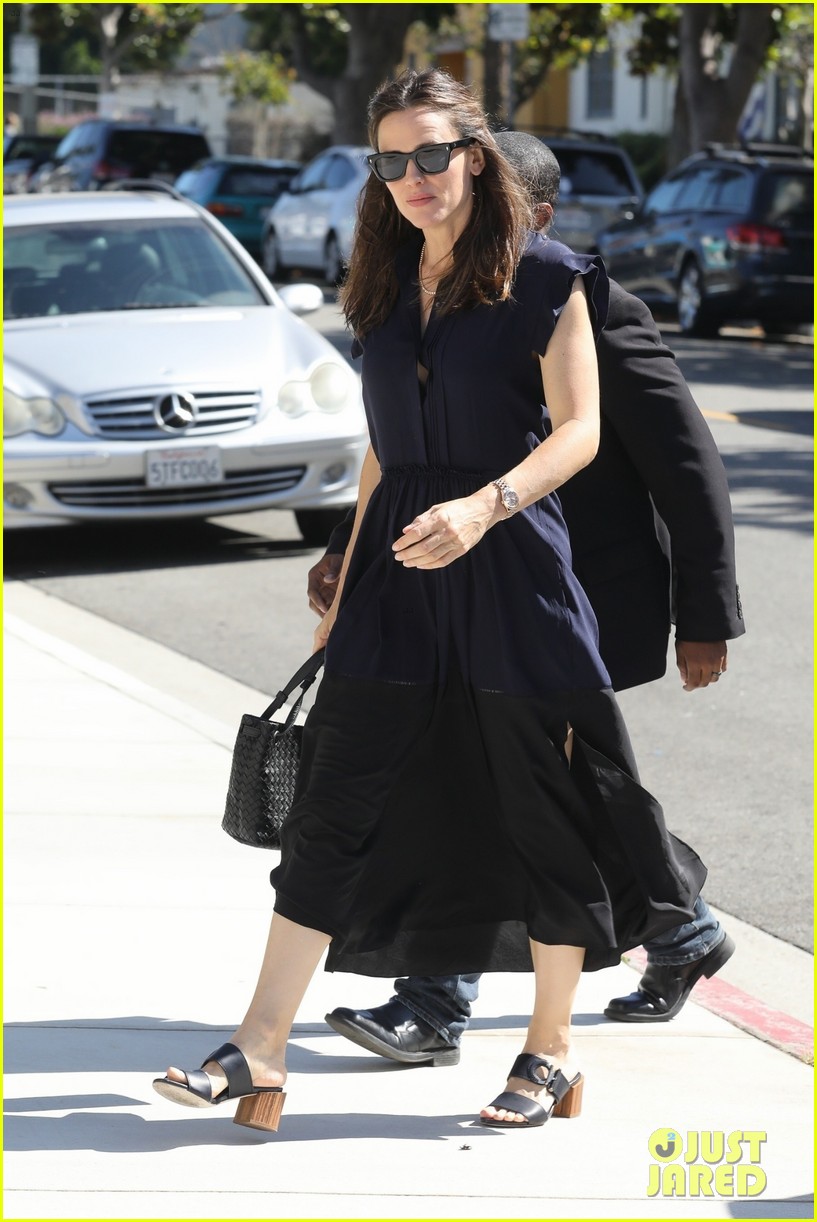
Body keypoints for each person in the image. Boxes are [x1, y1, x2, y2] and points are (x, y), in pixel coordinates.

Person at [154, 68, 706, 1133]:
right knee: (331, 811)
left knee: (544, 814)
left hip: (513, 574)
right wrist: (342, 577)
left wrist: (485, 507)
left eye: (431, 154)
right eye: (392, 159)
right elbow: (380, 453)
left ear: (474, 157)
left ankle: (548, 1052)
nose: (412, 176)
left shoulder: (547, 277)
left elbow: (582, 430)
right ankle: (259, 1044)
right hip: (396, 584)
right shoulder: (377, 282)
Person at [312, 131, 742, 1069]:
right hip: (447, 592)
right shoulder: (429, 304)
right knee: (493, 781)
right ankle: (672, 932)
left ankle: (439, 995)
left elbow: (688, 464)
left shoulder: (587, 307)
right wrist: (348, 556)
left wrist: (703, 614)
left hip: (562, 600)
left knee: (543, 787)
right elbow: (401, 445)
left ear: (533, 218)